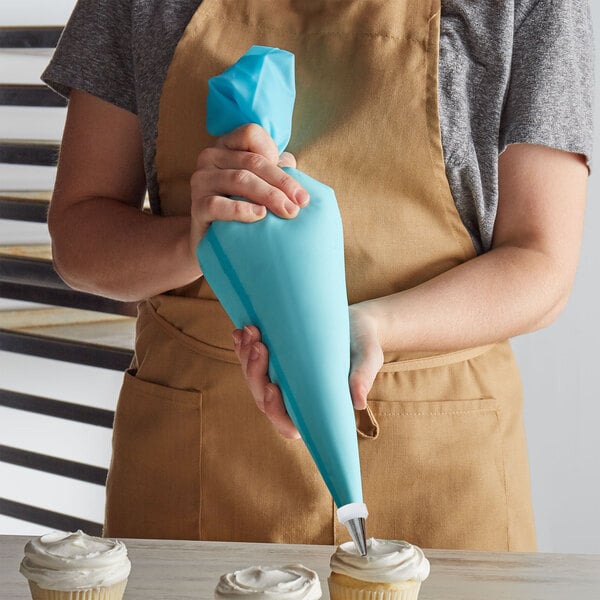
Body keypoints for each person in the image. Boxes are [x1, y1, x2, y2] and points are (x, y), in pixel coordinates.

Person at [42, 0, 593, 551]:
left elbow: (540, 264)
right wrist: (202, 239)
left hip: (440, 469)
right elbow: (80, 238)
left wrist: (370, 328)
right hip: (201, 460)